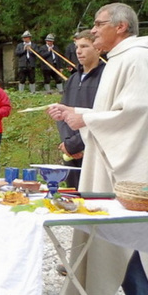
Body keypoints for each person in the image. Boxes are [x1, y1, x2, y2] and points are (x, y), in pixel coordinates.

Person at [50, 3, 148, 295]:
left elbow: (141, 112)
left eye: (99, 24)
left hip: (132, 166)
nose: (93, 31)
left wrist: (89, 119)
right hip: (122, 157)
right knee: (123, 236)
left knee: (127, 236)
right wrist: (78, 113)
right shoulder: (124, 59)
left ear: (121, 27)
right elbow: (118, 112)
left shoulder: (136, 59)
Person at [55, 29, 104, 190]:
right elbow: (63, 114)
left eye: (84, 46)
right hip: (70, 152)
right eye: (77, 47)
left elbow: (103, 115)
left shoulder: (107, 77)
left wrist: (79, 145)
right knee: (72, 198)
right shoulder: (72, 79)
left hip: (95, 150)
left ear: (98, 48)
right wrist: (68, 145)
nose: (78, 51)